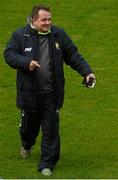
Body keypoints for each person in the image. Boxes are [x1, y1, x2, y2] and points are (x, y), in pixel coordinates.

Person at [4, 5, 96, 176]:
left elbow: (73, 55)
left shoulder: (58, 35)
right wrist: (26, 62)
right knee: (28, 128)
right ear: (34, 20)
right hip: (29, 94)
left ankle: (47, 164)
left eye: (49, 19)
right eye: (44, 20)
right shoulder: (20, 35)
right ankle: (26, 144)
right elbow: (9, 54)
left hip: (51, 94)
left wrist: (87, 72)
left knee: (51, 129)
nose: (48, 23)